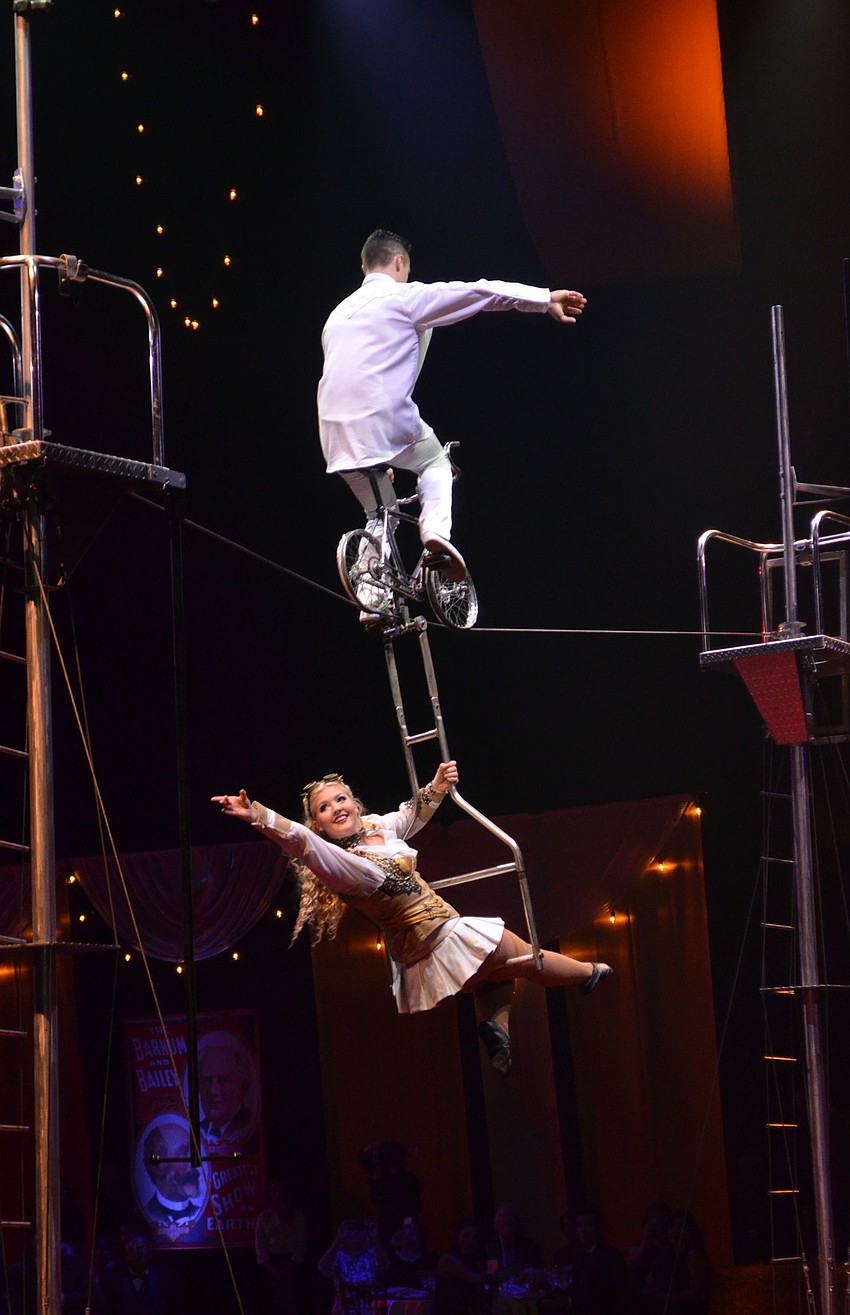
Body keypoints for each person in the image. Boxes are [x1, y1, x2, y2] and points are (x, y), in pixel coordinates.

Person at [212, 762, 611, 1078]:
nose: (337, 808)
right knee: (526, 956)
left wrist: (437, 785)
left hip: (426, 949)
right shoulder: (345, 865)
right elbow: (300, 841)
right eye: (324, 808)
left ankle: (498, 1030)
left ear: (355, 803)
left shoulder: (376, 829)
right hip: (437, 936)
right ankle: (589, 972)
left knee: (495, 973)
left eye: (341, 799)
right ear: (318, 823)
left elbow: (409, 816)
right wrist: (257, 815)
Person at [317, 228, 587, 584]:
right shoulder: (403, 298)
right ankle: (435, 535)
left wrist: (374, 451)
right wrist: (540, 298)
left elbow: (350, 377)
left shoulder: (335, 316)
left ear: (365, 267)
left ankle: (370, 593)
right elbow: (476, 292)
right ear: (400, 262)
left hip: (335, 438)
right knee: (434, 462)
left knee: (381, 514)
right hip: (384, 421)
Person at [254, 1178, 308, 1315]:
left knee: (294, 1303)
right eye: (274, 1191)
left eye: (280, 1190)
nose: (277, 1194)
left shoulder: (296, 1215)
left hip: (293, 1263)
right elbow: (260, 1245)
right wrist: (271, 1269)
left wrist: (291, 1266)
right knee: (274, 1304)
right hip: (273, 1264)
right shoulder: (265, 1217)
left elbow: (301, 1242)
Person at [197, 1031, 255, 1150]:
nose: (213, 1092)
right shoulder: (196, 1129)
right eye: (207, 1080)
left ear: (243, 1087)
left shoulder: (245, 1124)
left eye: (223, 1080)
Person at [317, 1219, 389, 1315]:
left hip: (370, 1310)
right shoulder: (339, 1255)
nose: (356, 1234)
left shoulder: (371, 1254)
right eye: (352, 1230)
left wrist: (375, 1241)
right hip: (344, 1311)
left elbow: (384, 1267)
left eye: (359, 1230)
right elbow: (322, 1267)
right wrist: (338, 1241)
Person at [140, 1121, 205, 1225]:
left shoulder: (196, 1211)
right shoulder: (150, 1213)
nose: (193, 1163)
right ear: (159, 1166)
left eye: (192, 1153)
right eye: (183, 1154)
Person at [432, 1218, 490, 1315]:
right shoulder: (448, 1259)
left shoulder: (476, 1261)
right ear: (457, 1237)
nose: (471, 1241)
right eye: (466, 1236)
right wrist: (503, 1274)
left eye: (475, 1237)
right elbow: (475, 1278)